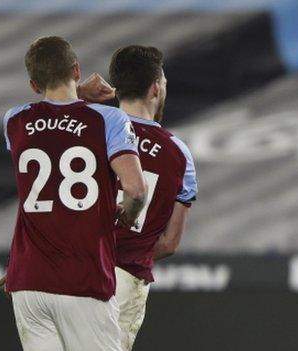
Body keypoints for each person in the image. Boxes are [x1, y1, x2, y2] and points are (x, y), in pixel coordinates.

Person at [2, 36, 147, 351]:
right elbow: (136, 189)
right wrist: (128, 216)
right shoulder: (108, 119)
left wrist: (74, 93)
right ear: (77, 69)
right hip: (83, 276)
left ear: (32, 84)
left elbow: (49, 115)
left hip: (28, 281)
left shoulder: (14, 120)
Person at [108, 45, 198, 350]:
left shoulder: (87, 131)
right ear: (155, 89)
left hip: (65, 270)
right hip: (123, 279)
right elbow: (170, 243)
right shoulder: (177, 154)